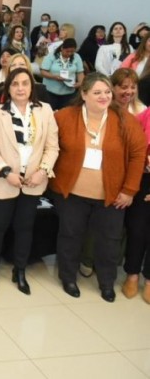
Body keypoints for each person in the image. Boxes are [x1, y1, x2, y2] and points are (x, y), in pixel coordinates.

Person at [50, 74, 144, 302]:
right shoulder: (64, 117)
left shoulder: (125, 120)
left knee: (109, 241)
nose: (104, 96)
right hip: (71, 193)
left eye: (107, 92)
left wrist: (129, 190)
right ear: (84, 94)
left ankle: (106, 282)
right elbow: (49, 145)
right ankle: (68, 277)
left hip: (112, 196)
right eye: (97, 92)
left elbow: (138, 154)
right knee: (70, 236)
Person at [0, 67, 59, 294]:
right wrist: (6, 172)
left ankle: (20, 269)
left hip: (33, 181)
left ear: (32, 86)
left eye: (25, 83)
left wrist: (43, 171)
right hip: (4, 180)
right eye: (15, 84)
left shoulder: (45, 110)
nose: (20, 88)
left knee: (25, 228)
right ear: (8, 88)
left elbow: (52, 147)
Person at [125, 105, 150, 302]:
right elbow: (131, 148)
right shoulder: (144, 116)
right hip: (142, 178)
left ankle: (149, 280)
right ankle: (132, 274)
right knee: (137, 230)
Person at [41, 38, 84, 110]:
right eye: (67, 51)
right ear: (62, 48)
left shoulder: (77, 57)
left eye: (72, 51)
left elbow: (80, 72)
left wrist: (80, 82)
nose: (69, 53)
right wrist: (54, 77)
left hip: (69, 92)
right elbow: (43, 72)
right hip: (50, 91)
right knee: (50, 112)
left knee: (66, 113)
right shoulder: (52, 56)